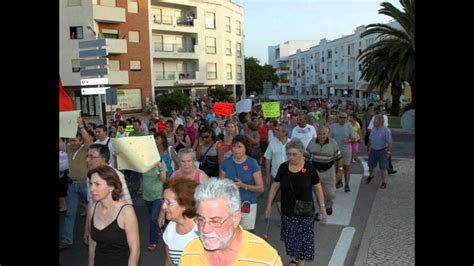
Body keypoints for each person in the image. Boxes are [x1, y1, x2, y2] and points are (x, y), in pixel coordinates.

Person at [180, 178, 283, 266]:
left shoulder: (266, 259)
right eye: (201, 219)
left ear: (235, 219)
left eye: (215, 221)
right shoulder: (190, 252)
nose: (205, 229)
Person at [265, 139, 327, 266]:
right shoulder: (283, 167)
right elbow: (274, 187)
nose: (291, 157)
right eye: (289, 154)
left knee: (304, 240)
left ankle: (300, 262)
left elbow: (317, 187)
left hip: (305, 211)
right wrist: (268, 206)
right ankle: (294, 258)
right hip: (287, 211)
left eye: (294, 154)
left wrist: (322, 206)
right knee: (291, 239)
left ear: (301, 153)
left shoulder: (309, 168)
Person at [87, 165, 140, 266]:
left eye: (97, 184)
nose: (92, 189)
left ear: (111, 187)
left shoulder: (126, 211)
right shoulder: (92, 208)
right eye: (91, 184)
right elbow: (92, 246)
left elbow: (135, 251)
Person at [219, 135, 264, 231]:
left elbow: (260, 187)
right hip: (230, 204)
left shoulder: (252, 163)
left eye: (239, 147)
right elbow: (220, 185)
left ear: (246, 148)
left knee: (247, 234)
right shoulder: (226, 162)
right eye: (234, 147)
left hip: (248, 204)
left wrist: (244, 186)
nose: (236, 150)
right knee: (230, 232)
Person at [305, 126, 343, 216]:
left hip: (329, 172)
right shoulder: (312, 142)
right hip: (315, 171)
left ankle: (329, 205)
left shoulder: (333, 143)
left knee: (330, 193)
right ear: (317, 134)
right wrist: (304, 170)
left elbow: (339, 157)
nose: (322, 136)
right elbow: (306, 157)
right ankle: (317, 211)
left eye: (324, 134)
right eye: (320, 134)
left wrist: (340, 169)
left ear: (327, 134)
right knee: (315, 192)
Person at [161, 177, 199, 265]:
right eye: (163, 201)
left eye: (169, 203)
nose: (163, 207)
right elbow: (169, 262)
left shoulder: (202, 229)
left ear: (185, 205)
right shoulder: (170, 229)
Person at [329, 112, 355, 192]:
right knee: (337, 167)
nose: (343, 119)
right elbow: (329, 139)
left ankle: (347, 184)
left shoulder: (349, 126)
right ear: (338, 118)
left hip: (346, 150)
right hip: (336, 151)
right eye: (341, 117)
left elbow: (354, 138)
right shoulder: (333, 127)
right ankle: (338, 181)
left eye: (344, 118)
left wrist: (348, 141)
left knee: (346, 167)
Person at [366, 115, 393, 189]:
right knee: (370, 166)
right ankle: (371, 176)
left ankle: (384, 182)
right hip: (373, 150)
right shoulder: (374, 129)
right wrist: (368, 149)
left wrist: (389, 152)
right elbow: (370, 140)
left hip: (383, 151)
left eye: (376, 120)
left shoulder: (386, 130)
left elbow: (390, 143)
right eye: (374, 120)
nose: (374, 122)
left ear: (380, 122)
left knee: (383, 168)